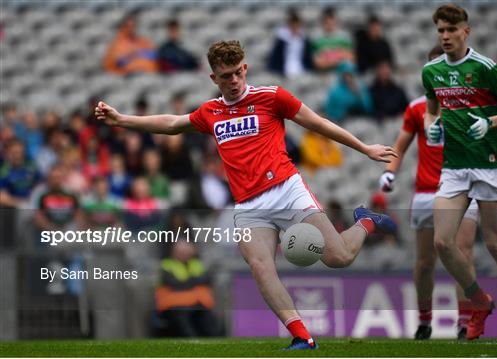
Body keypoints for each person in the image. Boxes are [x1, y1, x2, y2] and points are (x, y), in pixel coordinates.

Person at [95, 40, 397, 350]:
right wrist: (122, 120)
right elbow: (173, 123)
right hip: (249, 205)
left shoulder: (272, 97)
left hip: (286, 190)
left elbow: (318, 123)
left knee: (339, 257)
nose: (234, 80)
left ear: (245, 68)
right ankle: (302, 336)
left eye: (238, 72)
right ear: (215, 79)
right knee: (260, 265)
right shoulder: (210, 112)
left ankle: (365, 221)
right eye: (225, 76)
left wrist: (364, 147)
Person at [379, 44, 497, 340]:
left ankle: (465, 321)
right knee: (425, 261)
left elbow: (493, 153)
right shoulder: (417, 109)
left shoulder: (471, 107)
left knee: (463, 251)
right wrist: (390, 170)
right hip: (427, 191)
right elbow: (400, 145)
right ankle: (425, 320)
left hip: (464, 187)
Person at [422, 4, 497, 342]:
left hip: (487, 163)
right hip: (454, 167)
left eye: (451, 30)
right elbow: (431, 112)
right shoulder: (431, 71)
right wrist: (432, 128)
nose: (445, 36)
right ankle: (479, 301)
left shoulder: (486, 68)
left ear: (465, 31)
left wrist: (490, 122)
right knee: (442, 242)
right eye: (440, 30)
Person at [267, 8, 313, 79]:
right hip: (284, 71)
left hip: (301, 70)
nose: (295, 27)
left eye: (297, 25)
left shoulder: (304, 40)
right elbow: (275, 58)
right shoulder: (281, 40)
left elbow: (308, 58)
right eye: (293, 25)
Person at [312, 7, 355, 71]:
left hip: (342, 73)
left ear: (335, 22)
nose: (330, 25)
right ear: (323, 23)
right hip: (323, 73)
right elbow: (318, 63)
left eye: (332, 22)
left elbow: (351, 58)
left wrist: (328, 59)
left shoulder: (344, 37)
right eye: (327, 23)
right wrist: (339, 59)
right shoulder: (317, 39)